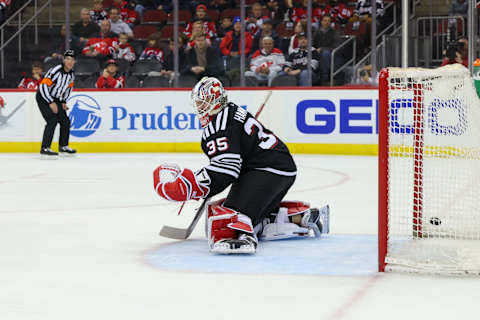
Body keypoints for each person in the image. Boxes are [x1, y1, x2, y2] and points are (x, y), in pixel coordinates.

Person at [153, 77, 329, 254]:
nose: (198, 108)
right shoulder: (230, 110)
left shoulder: (218, 126)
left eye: (201, 102)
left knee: (227, 217)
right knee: (239, 210)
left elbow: (227, 170)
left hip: (267, 170)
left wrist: (193, 185)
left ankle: (243, 237)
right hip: (279, 168)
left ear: (213, 101)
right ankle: (301, 218)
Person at [36, 50, 77, 158]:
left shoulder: (71, 74)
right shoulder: (56, 71)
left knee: (65, 121)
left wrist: (63, 101)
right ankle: (45, 148)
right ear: (63, 60)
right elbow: (43, 86)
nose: (69, 61)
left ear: (74, 62)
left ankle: (63, 146)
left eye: (72, 59)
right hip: (43, 97)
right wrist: (50, 102)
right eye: (67, 59)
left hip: (56, 99)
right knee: (52, 120)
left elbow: (68, 88)